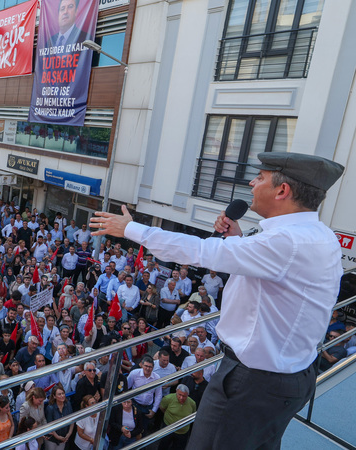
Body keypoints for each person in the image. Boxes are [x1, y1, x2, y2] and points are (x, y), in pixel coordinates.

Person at [90, 151, 345, 448]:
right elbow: (270, 278)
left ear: (282, 190)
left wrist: (130, 229)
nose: (252, 183)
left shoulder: (286, 241)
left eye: (260, 178)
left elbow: (200, 251)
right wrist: (237, 240)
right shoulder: (319, 235)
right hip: (289, 376)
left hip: (253, 383)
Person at [157, 385, 196, 450]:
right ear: (176, 392)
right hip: (168, 428)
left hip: (183, 432)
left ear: (188, 395)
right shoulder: (168, 398)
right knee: (163, 446)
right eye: (179, 395)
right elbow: (162, 408)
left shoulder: (192, 403)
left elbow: (193, 416)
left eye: (184, 396)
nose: (181, 398)